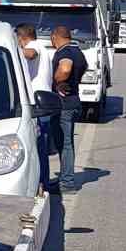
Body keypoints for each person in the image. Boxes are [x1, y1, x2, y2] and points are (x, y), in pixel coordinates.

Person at [43, 26, 87, 194]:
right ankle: (64, 178)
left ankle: (67, 182)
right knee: (63, 143)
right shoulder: (78, 52)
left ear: (55, 37)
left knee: (66, 144)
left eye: (51, 39)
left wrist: (58, 80)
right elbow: (81, 70)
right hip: (73, 101)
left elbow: (66, 68)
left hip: (64, 105)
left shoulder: (65, 52)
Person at [16, 24, 56, 191]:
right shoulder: (44, 47)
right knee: (41, 149)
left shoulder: (34, 46)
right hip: (44, 103)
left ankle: (41, 183)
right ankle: (43, 182)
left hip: (37, 105)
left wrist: (14, 50)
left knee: (37, 149)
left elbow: (31, 54)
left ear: (21, 37)